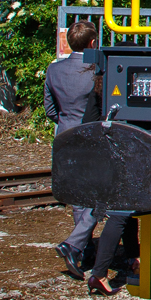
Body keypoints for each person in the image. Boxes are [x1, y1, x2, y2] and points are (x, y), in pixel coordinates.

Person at [45, 20, 103, 280]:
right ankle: (74, 243)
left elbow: (50, 109)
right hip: (90, 135)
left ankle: (83, 250)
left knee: (78, 196)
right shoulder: (95, 69)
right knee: (102, 194)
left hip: (64, 134)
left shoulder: (53, 70)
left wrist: (65, 121)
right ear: (92, 42)